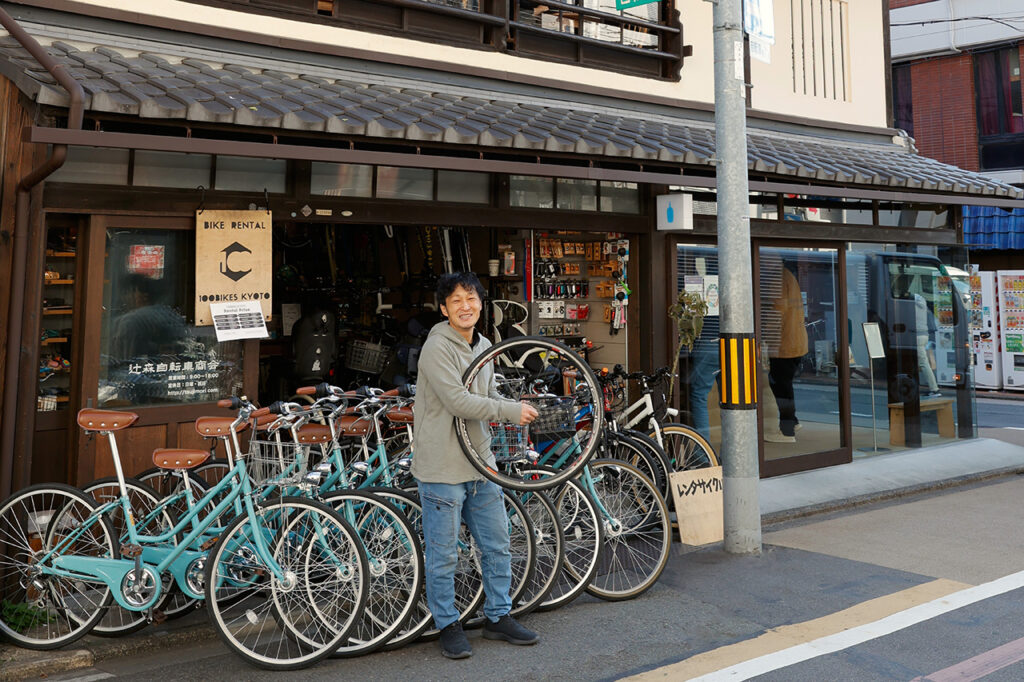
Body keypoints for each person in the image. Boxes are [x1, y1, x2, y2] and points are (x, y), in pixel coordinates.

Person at [411, 272, 540, 659]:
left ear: (482, 304)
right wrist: (508, 410)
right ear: (443, 308)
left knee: (497, 544)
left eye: (471, 299)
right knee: (444, 554)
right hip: (443, 467)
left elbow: (486, 394)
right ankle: (447, 624)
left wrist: (516, 402)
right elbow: (459, 402)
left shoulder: (483, 343)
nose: (465, 306)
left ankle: (499, 616)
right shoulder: (437, 348)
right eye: (456, 301)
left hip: (481, 463)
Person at [766, 263, 808, 441]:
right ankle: (793, 421)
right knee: (785, 385)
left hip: (784, 344)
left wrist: (762, 336)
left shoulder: (777, 279)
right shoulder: (788, 276)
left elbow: (776, 312)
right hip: (796, 341)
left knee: (781, 387)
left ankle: (787, 430)